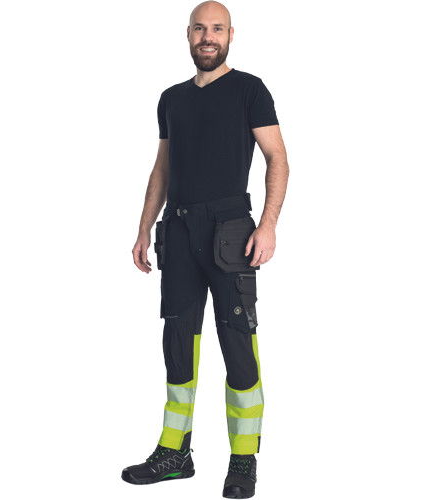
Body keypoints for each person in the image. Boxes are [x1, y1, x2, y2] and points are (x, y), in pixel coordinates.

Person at [121, 1, 289, 497]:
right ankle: (175, 452)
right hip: (178, 232)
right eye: (200, 28)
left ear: (231, 35)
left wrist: (268, 225)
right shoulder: (171, 98)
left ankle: (243, 460)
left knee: (238, 343)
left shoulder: (250, 90)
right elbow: (162, 167)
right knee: (178, 345)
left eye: (217, 28)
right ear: (188, 34)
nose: (208, 37)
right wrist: (144, 228)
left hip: (231, 231)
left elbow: (278, 157)